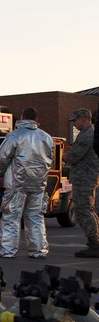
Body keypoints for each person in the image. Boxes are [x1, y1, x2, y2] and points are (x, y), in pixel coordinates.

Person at [0, 107, 54, 259]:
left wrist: (6, 171)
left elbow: (2, 158)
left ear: (22, 117)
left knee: (11, 216)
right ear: (36, 119)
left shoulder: (14, 135)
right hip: (39, 183)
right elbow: (50, 159)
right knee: (35, 216)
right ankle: (38, 250)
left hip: (17, 183)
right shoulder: (46, 137)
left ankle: (7, 250)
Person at [62, 108, 99, 257]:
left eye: (75, 121)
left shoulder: (87, 135)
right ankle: (95, 241)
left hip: (85, 178)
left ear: (83, 119)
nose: (74, 124)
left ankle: (95, 244)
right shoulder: (86, 133)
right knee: (87, 210)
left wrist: (65, 156)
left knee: (83, 210)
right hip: (85, 178)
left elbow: (74, 156)